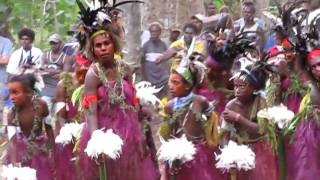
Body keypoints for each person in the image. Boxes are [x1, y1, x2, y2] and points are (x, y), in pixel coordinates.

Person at [75, 1, 158, 179]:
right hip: (105, 133)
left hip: (130, 132)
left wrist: (141, 135)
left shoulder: (126, 69)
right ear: (93, 49)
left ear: (114, 44)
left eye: (106, 43)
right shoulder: (93, 74)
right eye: (98, 46)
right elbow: (90, 110)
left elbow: (134, 104)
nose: (103, 48)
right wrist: (96, 139)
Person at [159, 59, 225, 180]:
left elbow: (212, 125)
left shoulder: (200, 102)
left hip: (197, 153)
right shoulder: (169, 106)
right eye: (170, 82)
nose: (171, 86)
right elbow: (166, 135)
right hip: (176, 155)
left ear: (188, 85)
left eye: (175, 83)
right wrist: (170, 156)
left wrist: (212, 141)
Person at [221, 65, 278, 180]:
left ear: (254, 88)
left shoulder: (261, 102)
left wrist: (238, 118)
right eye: (235, 86)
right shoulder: (231, 106)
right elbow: (224, 135)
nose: (237, 90)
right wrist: (229, 156)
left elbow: (263, 129)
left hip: (260, 150)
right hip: (240, 152)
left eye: (242, 86)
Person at [4, 74, 55, 180]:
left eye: (16, 92)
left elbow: (49, 129)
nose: (11, 97)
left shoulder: (41, 105)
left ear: (29, 92)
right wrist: (15, 167)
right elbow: (13, 142)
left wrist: (52, 151)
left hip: (40, 148)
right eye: (10, 93)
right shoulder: (12, 114)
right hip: (20, 151)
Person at [53, 54, 91, 180]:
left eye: (88, 65)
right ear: (75, 65)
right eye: (82, 64)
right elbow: (60, 115)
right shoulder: (63, 84)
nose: (85, 68)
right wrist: (69, 133)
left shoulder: (94, 81)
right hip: (68, 130)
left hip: (88, 129)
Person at [286, 48, 320, 180]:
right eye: (313, 67)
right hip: (312, 139)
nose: (317, 69)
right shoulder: (313, 89)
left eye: (319, 64)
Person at [40, 33, 73, 112]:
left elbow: (65, 74)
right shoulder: (45, 55)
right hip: (47, 89)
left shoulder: (66, 57)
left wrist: (49, 71)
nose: (53, 45)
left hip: (60, 90)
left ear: (61, 43)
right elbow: (41, 70)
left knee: (60, 116)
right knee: (45, 115)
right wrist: (58, 71)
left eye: (55, 43)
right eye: (51, 43)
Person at [141, 22, 169, 98]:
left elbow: (167, 61)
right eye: (152, 31)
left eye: (156, 31)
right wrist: (144, 78)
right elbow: (142, 63)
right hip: (150, 80)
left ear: (160, 32)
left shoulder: (164, 45)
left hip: (162, 79)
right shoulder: (146, 46)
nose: (153, 33)